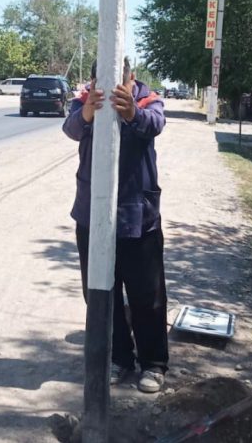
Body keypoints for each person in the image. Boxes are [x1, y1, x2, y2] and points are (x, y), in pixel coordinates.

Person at [62, 60, 168, 393]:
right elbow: (71, 129)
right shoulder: (84, 101)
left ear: (131, 77)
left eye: (119, 79)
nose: (110, 86)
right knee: (99, 292)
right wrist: (88, 112)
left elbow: (156, 124)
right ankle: (119, 357)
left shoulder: (148, 99)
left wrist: (132, 112)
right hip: (92, 214)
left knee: (147, 294)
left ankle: (153, 364)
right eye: (100, 79)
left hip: (138, 216)